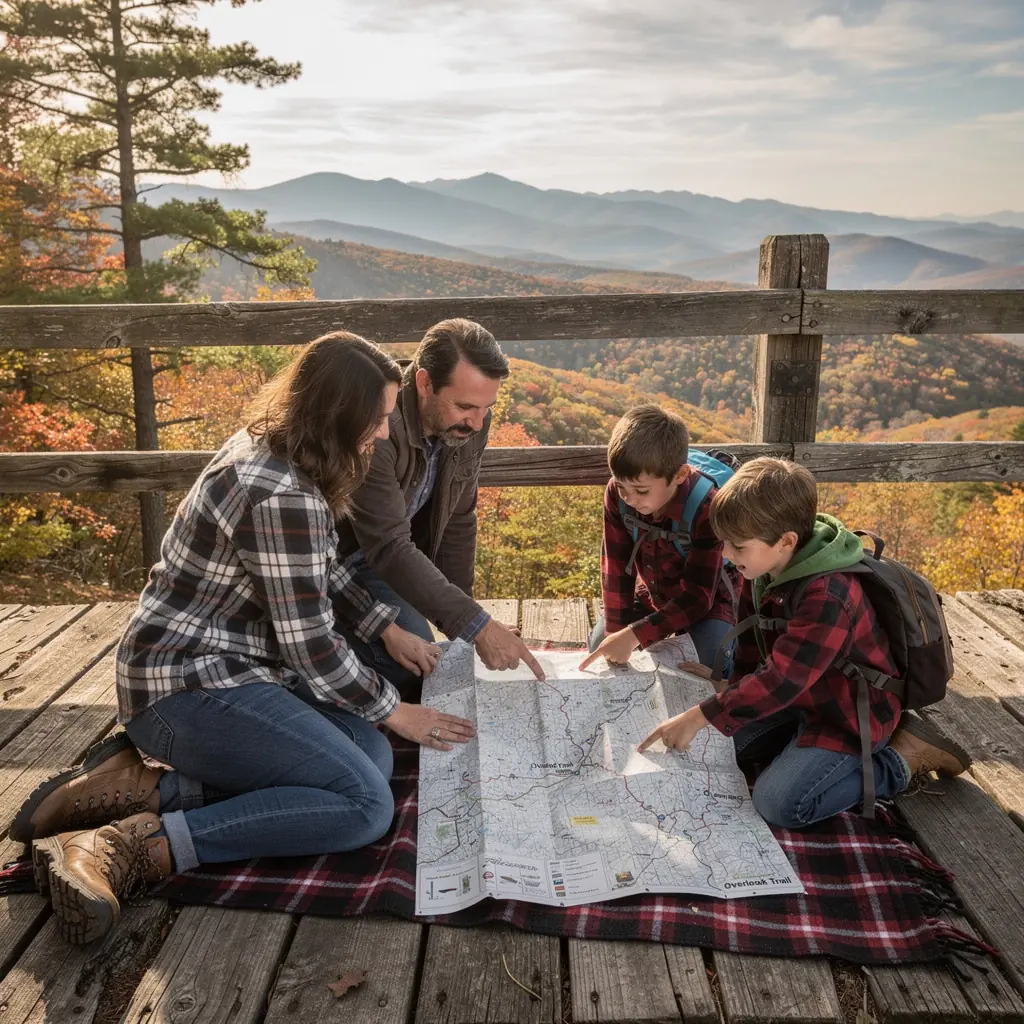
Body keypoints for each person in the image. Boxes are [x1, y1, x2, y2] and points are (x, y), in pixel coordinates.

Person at [11, 332, 476, 945]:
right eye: (378, 419)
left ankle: (147, 787)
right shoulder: (280, 493)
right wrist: (399, 711)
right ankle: (130, 848)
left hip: (236, 670)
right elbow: (312, 647)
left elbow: (322, 574)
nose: (385, 433)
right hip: (182, 688)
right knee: (365, 806)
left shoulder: (282, 453)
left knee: (372, 754)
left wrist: (386, 628)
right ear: (339, 416)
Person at [638, 457, 971, 828]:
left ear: (786, 541)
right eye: (724, 544)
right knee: (711, 747)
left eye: (737, 546)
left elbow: (782, 680)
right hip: (802, 698)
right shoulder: (765, 565)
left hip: (845, 715)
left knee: (778, 803)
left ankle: (904, 756)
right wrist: (729, 686)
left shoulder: (828, 595)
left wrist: (702, 714)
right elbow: (753, 637)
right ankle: (794, 747)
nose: (726, 556)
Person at [338, 318, 544, 683]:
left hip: (399, 558)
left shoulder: (471, 421)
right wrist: (476, 626)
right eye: (466, 407)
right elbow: (387, 547)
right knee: (418, 670)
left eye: (486, 408)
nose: (478, 423)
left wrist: (468, 623)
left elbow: (460, 519)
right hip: (346, 564)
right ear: (424, 383)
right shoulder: (379, 426)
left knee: (441, 660)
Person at [581, 405, 736, 671]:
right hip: (653, 594)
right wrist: (617, 632)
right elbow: (615, 568)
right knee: (601, 649)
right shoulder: (618, 496)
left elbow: (699, 597)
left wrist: (635, 635)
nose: (629, 498)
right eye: (621, 486)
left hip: (710, 601)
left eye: (641, 490)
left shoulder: (707, 507)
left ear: (680, 475)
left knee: (711, 661)